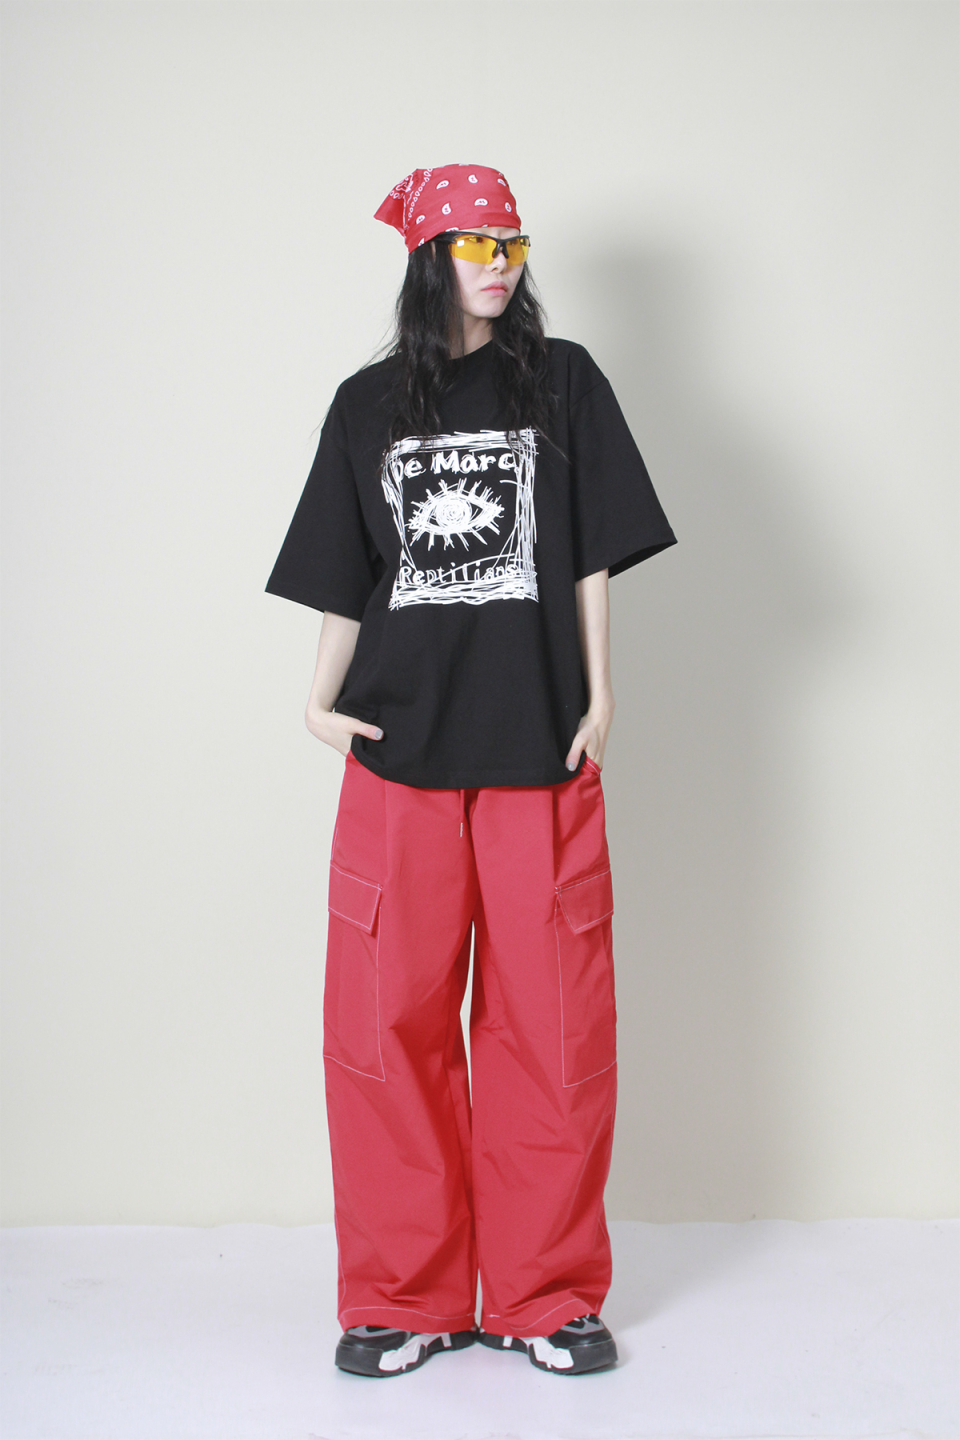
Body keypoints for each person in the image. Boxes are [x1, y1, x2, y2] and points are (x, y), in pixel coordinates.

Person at [265, 164, 676, 1378]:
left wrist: (600, 691)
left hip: (540, 751)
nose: (499, 263)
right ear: (427, 258)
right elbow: (349, 571)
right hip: (399, 759)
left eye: (512, 241)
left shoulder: (565, 382)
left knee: (552, 1031)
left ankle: (546, 1298)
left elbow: (590, 551)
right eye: (475, 243)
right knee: (384, 1032)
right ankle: (405, 1298)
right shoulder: (365, 405)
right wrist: (319, 698)